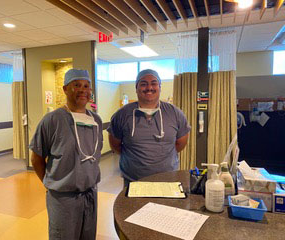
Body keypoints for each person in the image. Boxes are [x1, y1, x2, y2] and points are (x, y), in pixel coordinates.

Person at [29, 69, 103, 240]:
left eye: (86, 86)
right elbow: (36, 158)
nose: (83, 90)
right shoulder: (52, 120)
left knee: (88, 236)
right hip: (63, 198)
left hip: (90, 194)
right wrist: (54, 184)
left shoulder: (96, 121)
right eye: (76, 85)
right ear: (65, 89)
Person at [107, 69, 190, 187]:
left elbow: (180, 143)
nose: (149, 87)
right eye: (143, 84)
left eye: (154, 83)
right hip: (133, 181)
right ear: (136, 88)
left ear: (160, 87)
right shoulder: (122, 115)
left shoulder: (175, 114)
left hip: (168, 181)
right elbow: (115, 145)